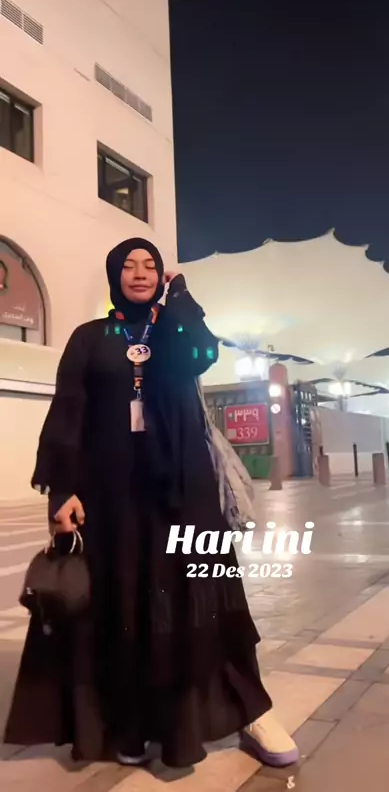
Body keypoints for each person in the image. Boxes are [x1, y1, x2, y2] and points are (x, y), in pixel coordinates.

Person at [4, 238, 298, 769]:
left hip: (183, 491)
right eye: (128, 265)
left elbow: (204, 353)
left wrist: (179, 297)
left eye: (151, 266)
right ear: (114, 275)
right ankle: (131, 721)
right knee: (123, 603)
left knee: (204, 596)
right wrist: (61, 490)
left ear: (162, 276)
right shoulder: (90, 338)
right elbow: (68, 412)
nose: (139, 273)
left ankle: (248, 708)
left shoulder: (175, 331)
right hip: (110, 496)